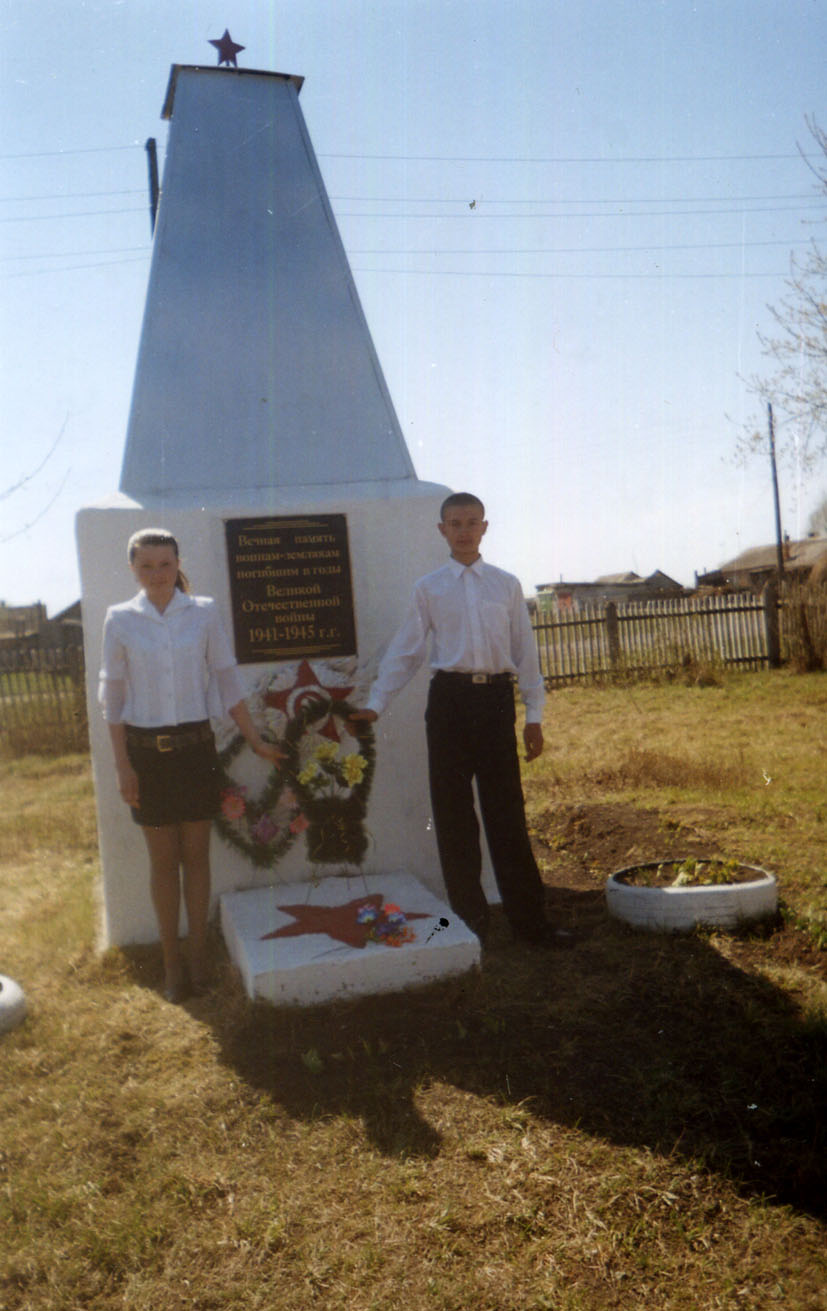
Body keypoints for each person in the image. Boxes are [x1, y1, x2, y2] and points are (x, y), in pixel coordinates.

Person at [350, 492, 557, 947]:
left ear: (485, 527)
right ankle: (470, 924)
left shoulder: (506, 585)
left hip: (496, 703)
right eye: (455, 523)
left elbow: (526, 654)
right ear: (441, 531)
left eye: (472, 522)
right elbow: (405, 652)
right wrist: (376, 704)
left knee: (507, 813)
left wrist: (534, 716)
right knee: (454, 816)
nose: (464, 530)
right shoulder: (429, 588)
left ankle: (530, 924)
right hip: (449, 704)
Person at [99, 528, 282, 1002]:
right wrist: (123, 766)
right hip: (146, 756)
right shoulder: (119, 620)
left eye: (165, 565)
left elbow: (225, 677)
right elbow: (113, 697)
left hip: (196, 751)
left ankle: (200, 959)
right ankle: (171, 964)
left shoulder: (203, 612)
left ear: (178, 563)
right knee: (163, 862)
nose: (157, 575)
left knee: (196, 856)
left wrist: (254, 739)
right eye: (146, 566)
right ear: (133, 569)